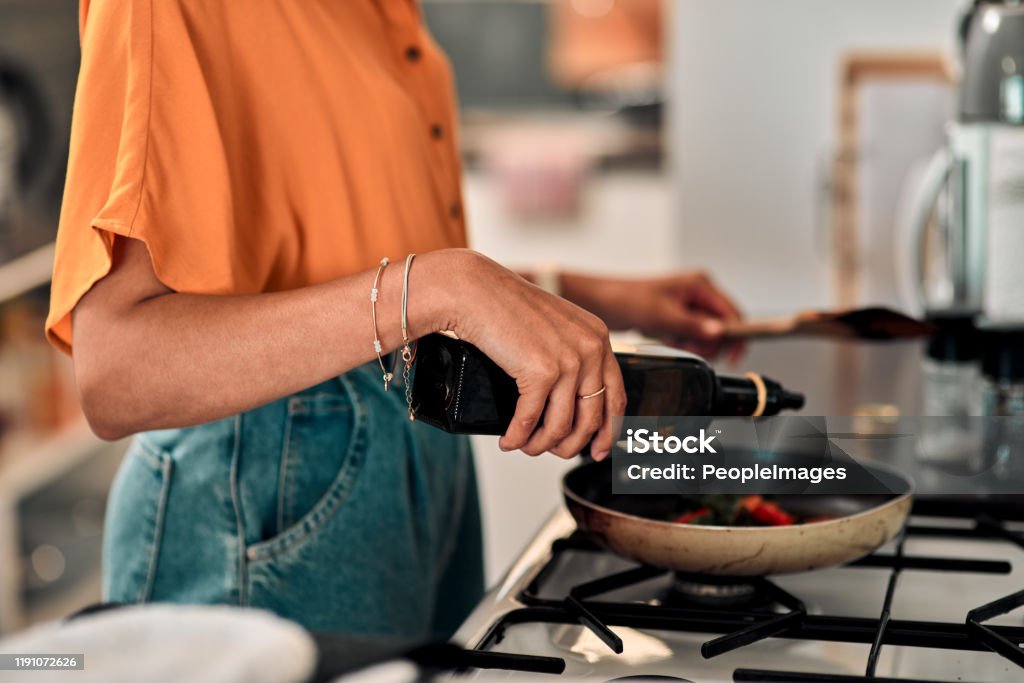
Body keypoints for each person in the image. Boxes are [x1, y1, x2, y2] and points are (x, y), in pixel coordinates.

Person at [46, 0, 742, 640]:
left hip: (414, 458)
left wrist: (588, 295)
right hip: (268, 495)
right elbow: (117, 369)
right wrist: (444, 286)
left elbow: (369, 265)